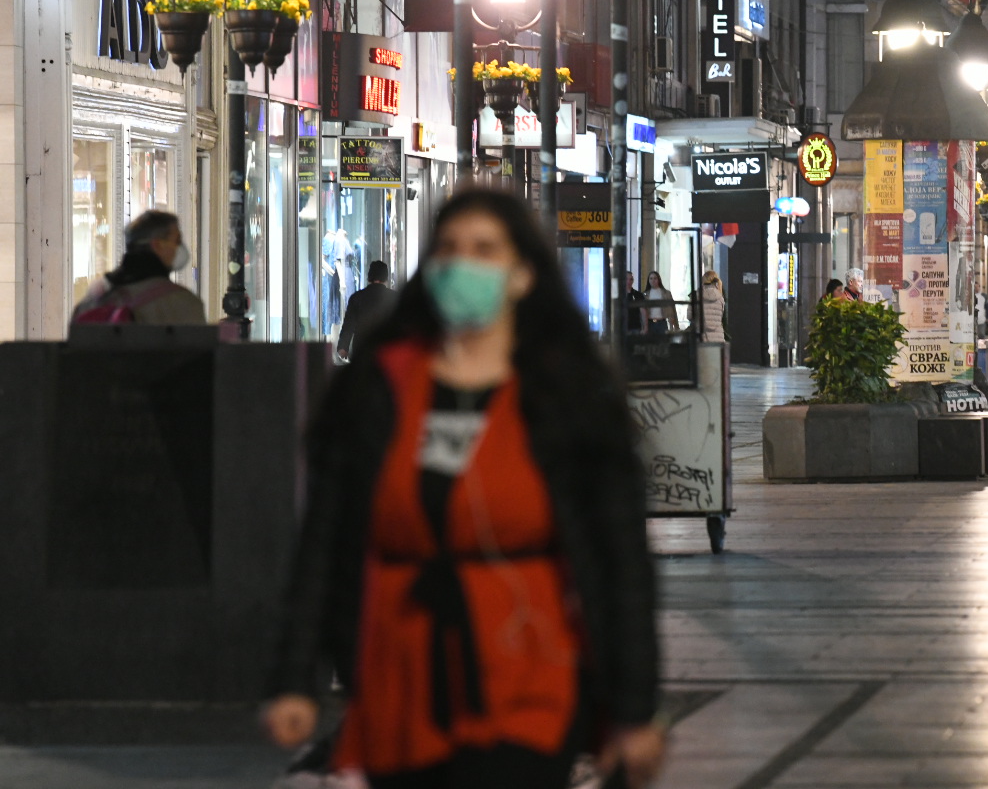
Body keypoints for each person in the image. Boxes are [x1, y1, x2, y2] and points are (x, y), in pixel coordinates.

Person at [263, 188, 665, 789]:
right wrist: (295, 674)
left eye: (485, 250)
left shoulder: (566, 396)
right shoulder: (380, 388)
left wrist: (634, 705)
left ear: (523, 274)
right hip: (399, 676)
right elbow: (325, 537)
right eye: (449, 249)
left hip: (530, 672)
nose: (463, 264)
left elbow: (621, 563)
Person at [71, 210, 207, 325]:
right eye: (176, 240)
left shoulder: (93, 299)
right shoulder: (184, 304)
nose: (179, 247)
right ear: (157, 245)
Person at [337, 261, 395, 363]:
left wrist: (343, 347)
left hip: (361, 349)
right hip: (387, 350)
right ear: (386, 278)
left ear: (369, 277)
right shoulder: (394, 297)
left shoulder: (357, 297)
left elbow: (349, 325)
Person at [698, 270, 726, 343]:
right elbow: (721, 316)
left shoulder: (697, 296)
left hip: (702, 337)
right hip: (718, 337)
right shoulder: (720, 297)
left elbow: (690, 316)